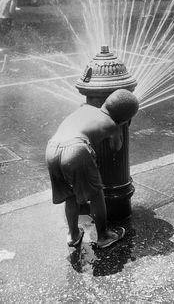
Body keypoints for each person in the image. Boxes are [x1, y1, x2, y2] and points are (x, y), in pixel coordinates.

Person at [45, 89, 139, 249]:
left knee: (70, 195)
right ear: (124, 118)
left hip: (52, 149)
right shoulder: (112, 125)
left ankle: (73, 234)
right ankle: (103, 236)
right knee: (96, 194)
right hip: (76, 150)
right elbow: (116, 147)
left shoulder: (85, 108)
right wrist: (120, 128)